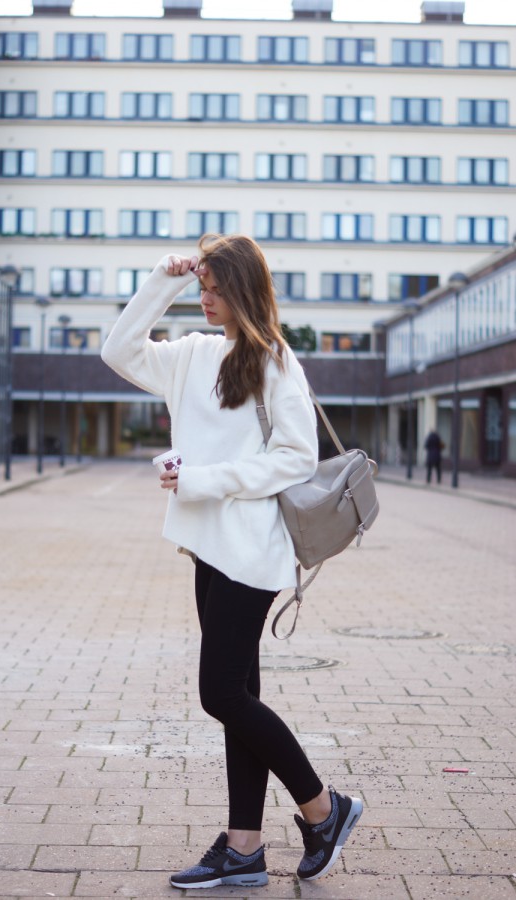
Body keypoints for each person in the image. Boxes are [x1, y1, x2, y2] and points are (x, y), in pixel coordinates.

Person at [101, 234, 363, 890]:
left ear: (243, 289)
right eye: (200, 288)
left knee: (219, 694)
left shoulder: (273, 359)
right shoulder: (191, 355)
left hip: (252, 550)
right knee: (238, 696)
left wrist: (204, 479)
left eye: (215, 290)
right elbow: (118, 350)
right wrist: (161, 280)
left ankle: (325, 810)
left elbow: (296, 457)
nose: (205, 299)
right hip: (209, 548)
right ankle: (244, 849)